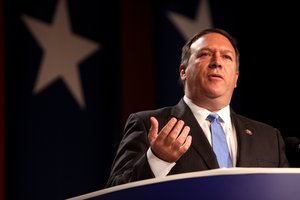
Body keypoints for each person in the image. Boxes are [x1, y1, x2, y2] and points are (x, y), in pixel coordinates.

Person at [105, 28, 289, 187]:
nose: (217, 62)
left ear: (236, 78)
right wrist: (157, 159)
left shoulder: (269, 138)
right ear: (183, 71)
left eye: (226, 57)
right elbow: (115, 192)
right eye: (205, 54)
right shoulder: (150, 125)